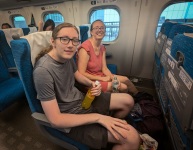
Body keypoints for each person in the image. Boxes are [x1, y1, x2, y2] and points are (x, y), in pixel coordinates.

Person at [33, 22, 140, 150]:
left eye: (74, 40)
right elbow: (55, 120)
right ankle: (107, 130)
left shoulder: (67, 57)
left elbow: (77, 74)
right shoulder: (43, 71)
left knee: (128, 101)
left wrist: (92, 84)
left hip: (82, 101)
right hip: (70, 117)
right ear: (53, 41)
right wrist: (98, 118)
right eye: (64, 39)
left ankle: (108, 129)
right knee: (133, 138)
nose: (70, 45)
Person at [76, 19, 139, 95]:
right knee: (123, 87)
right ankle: (122, 102)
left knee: (126, 80)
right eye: (96, 28)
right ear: (91, 32)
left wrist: (112, 78)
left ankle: (139, 97)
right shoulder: (85, 48)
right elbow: (81, 73)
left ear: (105, 31)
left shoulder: (102, 47)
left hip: (100, 75)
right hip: (89, 81)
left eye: (102, 28)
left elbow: (104, 68)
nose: (100, 30)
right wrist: (103, 78)